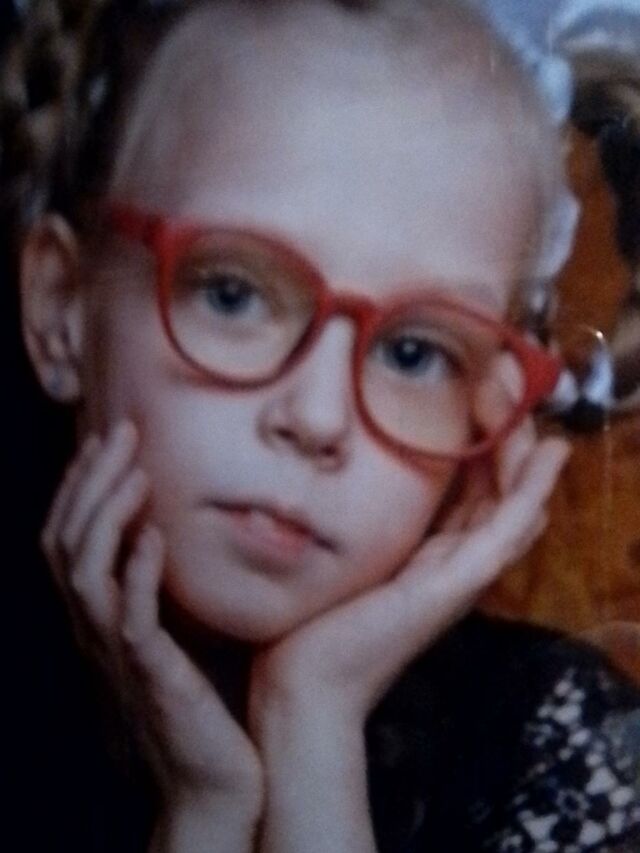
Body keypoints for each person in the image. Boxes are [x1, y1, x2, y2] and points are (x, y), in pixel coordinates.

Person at [3, 0, 640, 850]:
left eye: (413, 352)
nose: (316, 417)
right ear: (60, 308)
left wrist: (311, 724)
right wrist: (203, 810)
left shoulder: (558, 745)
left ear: (490, 409)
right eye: (233, 294)